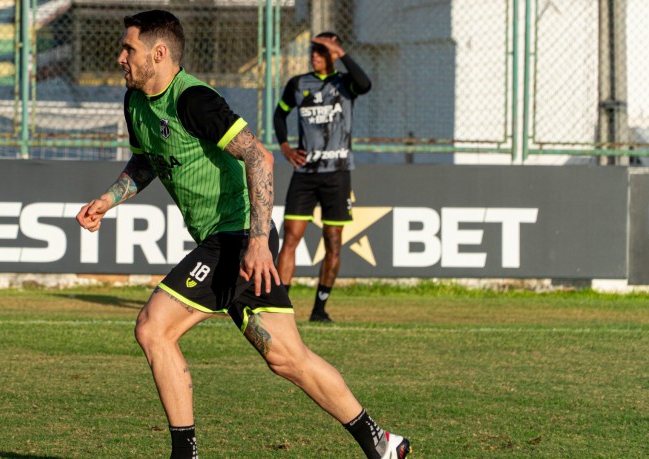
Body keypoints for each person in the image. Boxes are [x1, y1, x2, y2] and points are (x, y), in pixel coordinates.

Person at [76, 10, 409, 459]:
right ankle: (382, 442)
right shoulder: (135, 102)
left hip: (236, 238)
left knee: (154, 329)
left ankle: (184, 454)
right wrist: (109, 199)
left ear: (158, 54)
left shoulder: (194, 100)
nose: (120, 57)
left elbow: (259, 158)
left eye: (128, 49)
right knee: (287, 357)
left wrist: (256, 242)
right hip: (227, 241)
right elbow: (146, 161)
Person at [274, 32, 372, 323]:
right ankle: (281, 307)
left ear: (333, 52)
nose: (314, 55)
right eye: (313, 50)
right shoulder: (298, 83)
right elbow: (280, 116)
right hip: (305, 175)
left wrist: (340, 53)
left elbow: (365, 84)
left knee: (333, 241)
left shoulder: (346, 83)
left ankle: (319, 308)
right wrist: (286, 148)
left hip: (337, 174)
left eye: (321, 50)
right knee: (290, 238)